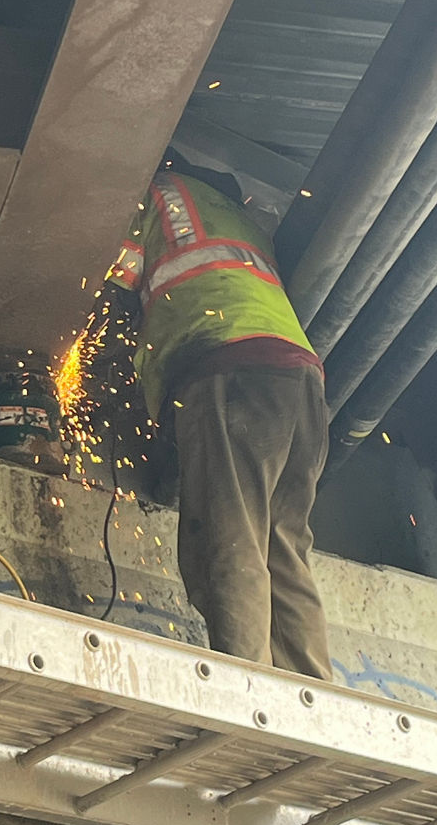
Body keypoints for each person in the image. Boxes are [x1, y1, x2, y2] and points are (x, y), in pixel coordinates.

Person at [108, 152, 331, 680]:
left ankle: (245, 687)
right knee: (284, 547)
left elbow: (102, 278)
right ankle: (313, 692)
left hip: (228, 368)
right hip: (303, 384)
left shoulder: (152, 194)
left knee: (228, 537)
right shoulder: (239, 214)